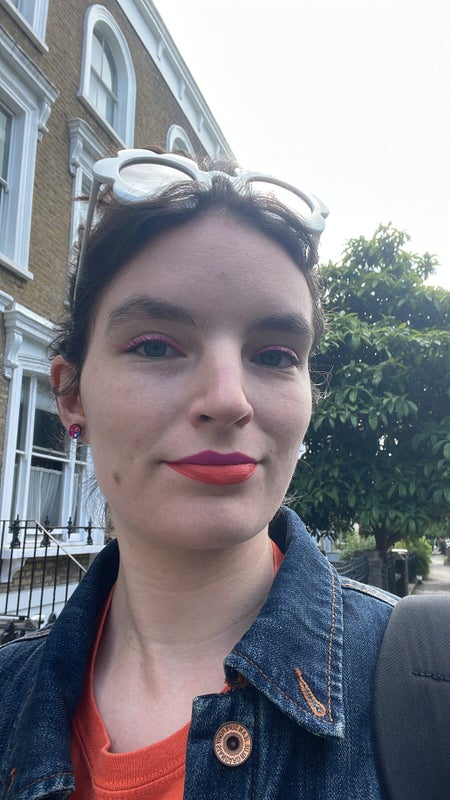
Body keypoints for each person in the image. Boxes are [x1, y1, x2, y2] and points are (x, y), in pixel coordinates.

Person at [0, 149, 395, 799]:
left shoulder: (425, 687)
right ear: (71, 396)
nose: (228, 398)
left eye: (273, 354)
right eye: (155, 345)